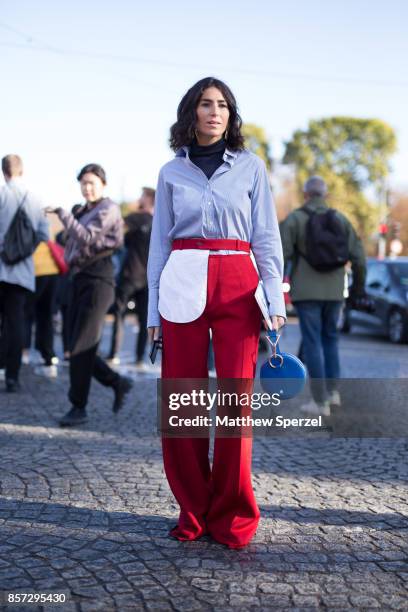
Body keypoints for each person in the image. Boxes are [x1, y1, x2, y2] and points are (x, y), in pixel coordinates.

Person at [147, 77, 286, 549]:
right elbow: (158, 245)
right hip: (182, 281)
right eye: (206, 104)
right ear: (191, 113)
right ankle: (194, 510)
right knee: (181, 404)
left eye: (223, 105)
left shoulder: (251, 168)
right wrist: (151, 313)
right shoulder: (170, 172)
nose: (215, 112)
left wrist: (275, 300)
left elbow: (266, 237)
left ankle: (233, 516)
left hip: (238, 285)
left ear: (231, 115)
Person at [46, 163, 133, 426]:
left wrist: (63, 213)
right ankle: (117, 381)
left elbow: (85, 237)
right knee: (74, 345)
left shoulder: (109, 208)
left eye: (92, 182)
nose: (87, 187)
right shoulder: (84, 210)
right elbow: (67, 239)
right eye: (83, 182)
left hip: (100, 278)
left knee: (82, 345)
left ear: (103, 185)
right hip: (79, 278)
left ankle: (78, 406)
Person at [280, 176, 366, 415]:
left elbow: (280, 255)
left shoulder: (295, 219)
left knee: (313, 342)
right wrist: (359, 289)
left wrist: (273, 288)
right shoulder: (341, 219)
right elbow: (359, 257)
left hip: (306, 292)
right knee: (331, 339)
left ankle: (320, 402)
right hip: (336, 291)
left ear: (306, 195)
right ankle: (333, 392)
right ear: (325, 195)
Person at [0, 154, 49, 392]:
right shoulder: (35, 198)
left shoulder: (0, 194)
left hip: (0, 268)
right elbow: (44, 235)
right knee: (16, 322)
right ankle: (13, 376)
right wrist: (23, 251)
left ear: (3, 171)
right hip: (23, 271)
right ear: (22, 170)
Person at [108, 187, 154, 370]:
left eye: (141, 195)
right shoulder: (158, 222)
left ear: (148, 198)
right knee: (144, 319)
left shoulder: (136, 217)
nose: (138, 198)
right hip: (148, 278)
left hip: (130, 274)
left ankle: (113, 354)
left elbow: (119, 232)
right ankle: (139, 358)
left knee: (119, 315)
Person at [24, 241, 60, 377]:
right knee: (46, 316)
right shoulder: (45, 220)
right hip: (51, 270)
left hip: (34, 269)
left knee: (25, 314)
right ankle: (47, 356)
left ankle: (23, 351)